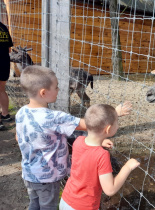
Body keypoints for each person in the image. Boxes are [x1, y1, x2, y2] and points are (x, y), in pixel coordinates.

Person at [15, 65, 132, 210]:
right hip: (48, 177)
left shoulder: (21, 112)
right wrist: (114, 112)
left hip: (28, 172)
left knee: (34, 203)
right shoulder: (53, 117)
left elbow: (18, 136)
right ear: (43, 93)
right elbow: (88, 124)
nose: (59, 90)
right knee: (48, 206)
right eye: (56, 87)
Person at [59, 104, 140, 210]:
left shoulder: (78, 141)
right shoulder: (102, 155)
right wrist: (127, 167)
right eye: (117, 123)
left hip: (66, 200)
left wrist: (100, 142)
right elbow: (110, 190)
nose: (118, 125)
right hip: (84, 207)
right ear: (108, 129)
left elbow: (88, 151)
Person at [0, 21, 14, 130]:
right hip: (4, 63)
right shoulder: (3, 27)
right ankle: (5, 115)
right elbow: (9, 49)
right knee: (1, 90)